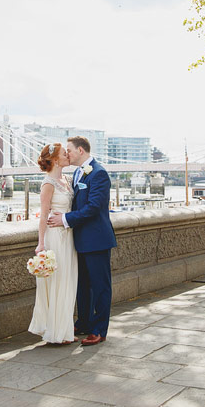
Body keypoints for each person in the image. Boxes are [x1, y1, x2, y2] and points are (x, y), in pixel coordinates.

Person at [47, 136, 116, 346]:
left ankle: (99, 330)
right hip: (78, 240)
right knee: (83, 286)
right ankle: (84, 322)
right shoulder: (77, 173)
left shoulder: (99, 173)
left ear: (80, 150)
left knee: (100, 286)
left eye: (69, 150)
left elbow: (94, 207)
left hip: (96, 239)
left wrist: (65, 219)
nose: (67, 154)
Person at [27, 143, 78, 345]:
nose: (68, 156)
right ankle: (57, 332)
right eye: (65, 154)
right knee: (58, 282)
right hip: (55, 238)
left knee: (68, 281)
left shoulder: (66, 179)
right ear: (56, 160)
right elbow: (43, 215)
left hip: (68, 235)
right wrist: (41, 244)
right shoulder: (48, 184)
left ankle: (64, 329)